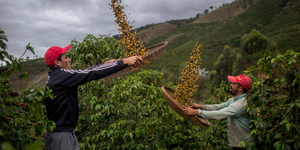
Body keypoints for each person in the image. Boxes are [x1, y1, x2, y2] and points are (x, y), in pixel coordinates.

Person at [43, 44, 143, 150]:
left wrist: (105, 64)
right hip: (62, 136)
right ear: (57, 63)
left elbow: (88, 71)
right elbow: (90, 73)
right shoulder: (62, 76)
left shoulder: (55, 76)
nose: (70, 59)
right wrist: (124, 62)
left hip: (62, 133)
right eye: (66, 57)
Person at [183, 75, 253, 150]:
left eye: (233, 83)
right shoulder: (233, 100)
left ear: (240, 88)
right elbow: (219, 106)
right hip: (238, 142)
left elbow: (219, 114)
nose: (231, 85)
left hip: (243, 145)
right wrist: (200, 106)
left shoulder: (239, 105)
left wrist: (196, 112)